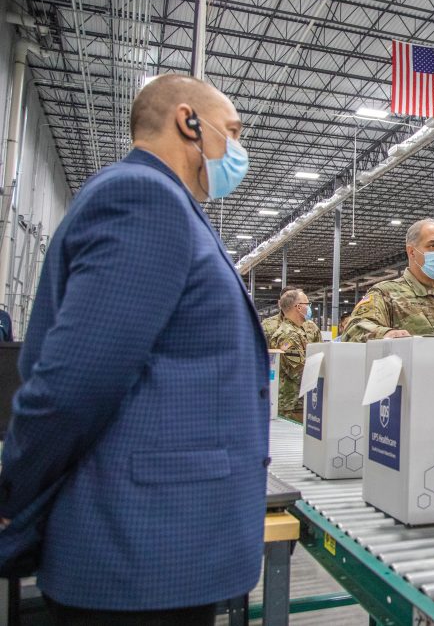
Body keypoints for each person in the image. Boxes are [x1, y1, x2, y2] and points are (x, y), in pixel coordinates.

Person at [0, 74, 269, 624]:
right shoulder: (145, 198)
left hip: (156, 549)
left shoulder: (168, 206)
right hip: (139, 552)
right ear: (189, 120)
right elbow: (73, 384)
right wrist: (12, 498)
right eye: (234, 132)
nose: (239, 149)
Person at [342, 219, 434, 341]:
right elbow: (352, 331)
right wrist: (385, 334)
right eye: (433, 245)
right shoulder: (385, 294)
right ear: (411, 252)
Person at [269, 288, 321, 421]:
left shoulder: (298, 331)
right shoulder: (288, 335)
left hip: (299, 403)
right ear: (298, 307)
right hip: (292, 407)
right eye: (307, 304)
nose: (310, 308)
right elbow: (299, 371)